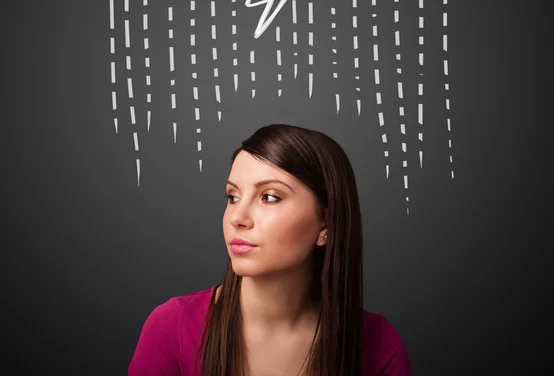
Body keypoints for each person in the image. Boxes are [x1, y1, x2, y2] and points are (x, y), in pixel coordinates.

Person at [128, 123, 412, 375]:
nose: (238, 218)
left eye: (270, 197)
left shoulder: (378, 346)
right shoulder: (171, 328)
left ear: (326, 223)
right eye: (233, 196)